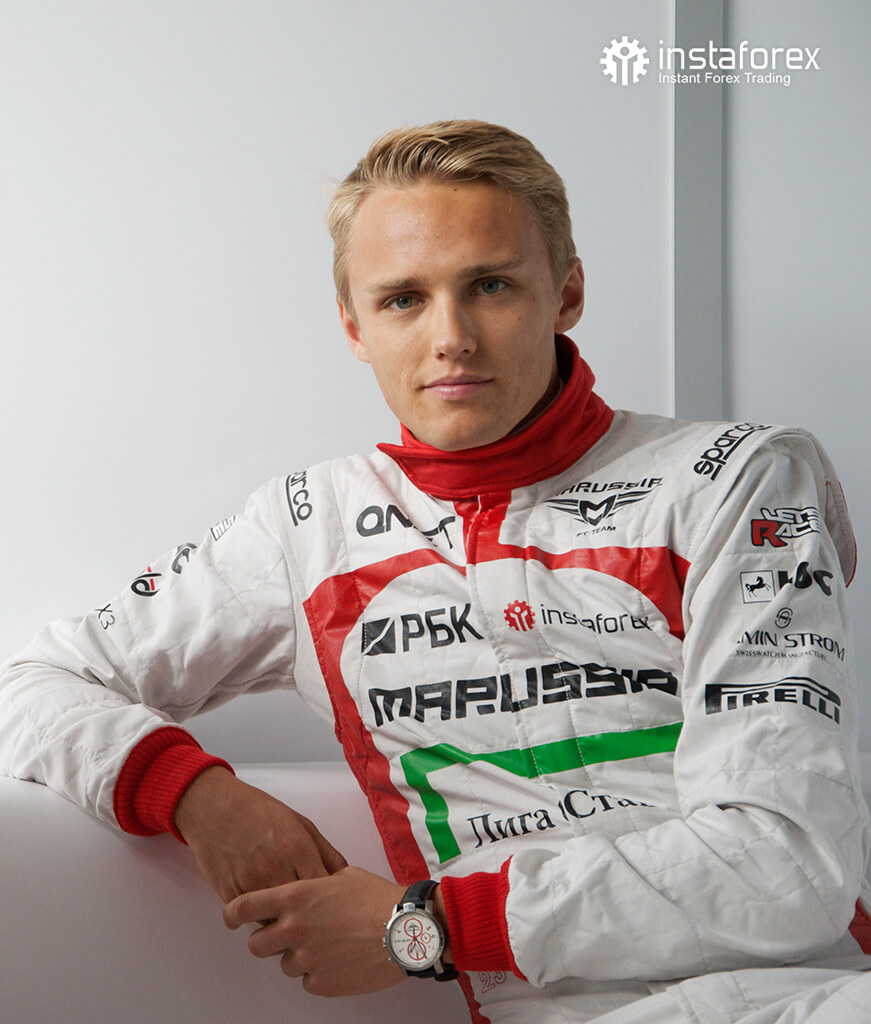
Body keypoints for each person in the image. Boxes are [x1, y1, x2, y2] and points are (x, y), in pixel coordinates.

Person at [1, 120, 870, 1024]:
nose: (450, 338)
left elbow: (789, 867)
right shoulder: (307, 528)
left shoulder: (736, 478)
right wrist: (201, 798)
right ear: (354, 326)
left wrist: (427, 928)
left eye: (489, 285)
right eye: (403, 300)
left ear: (566, 293)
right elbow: (37, 684)